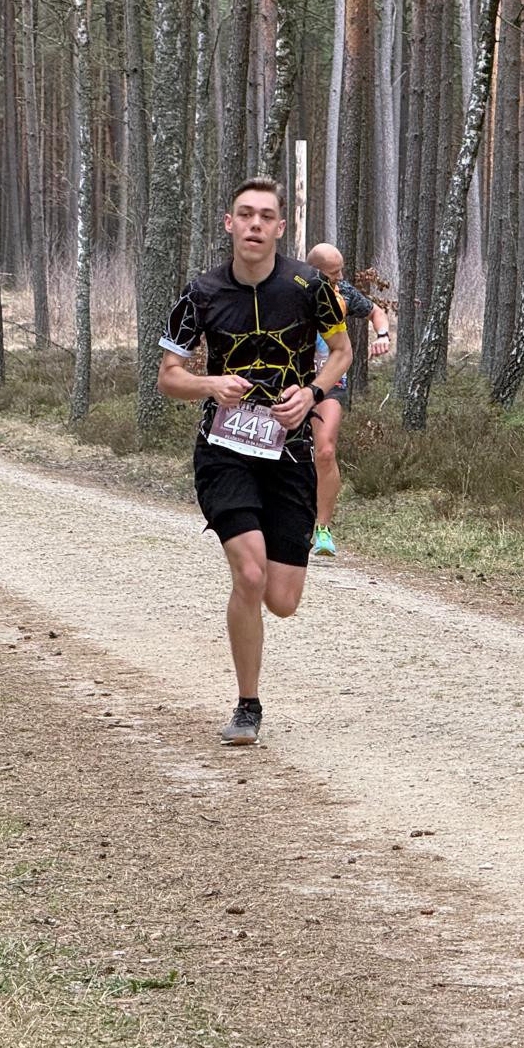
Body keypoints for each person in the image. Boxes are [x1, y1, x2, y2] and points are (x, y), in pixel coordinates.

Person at [156, 177, 351, 746]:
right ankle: (248, 704)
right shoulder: (200, 293)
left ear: (281, 227)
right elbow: (169, 377)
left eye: (266, 216)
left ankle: (269, 588)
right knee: (249, 572)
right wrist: (210, 383)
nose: (255, 225)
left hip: (288, 449)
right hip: (224, 449)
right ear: (229, 224)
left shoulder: (310, 286)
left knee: (282, 600)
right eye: (245, 215)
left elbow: (341, 351)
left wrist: (312, 395)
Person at [303, 242, 391, 557]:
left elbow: (375, 312)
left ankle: (323, 531)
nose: (339, 279)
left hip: (329, 382)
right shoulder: (290, 288)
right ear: (314, 272)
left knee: (325, 451)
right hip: (288, 382)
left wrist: (383, 336)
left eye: (341, 271)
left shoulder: (343, 292)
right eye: (332, 274)